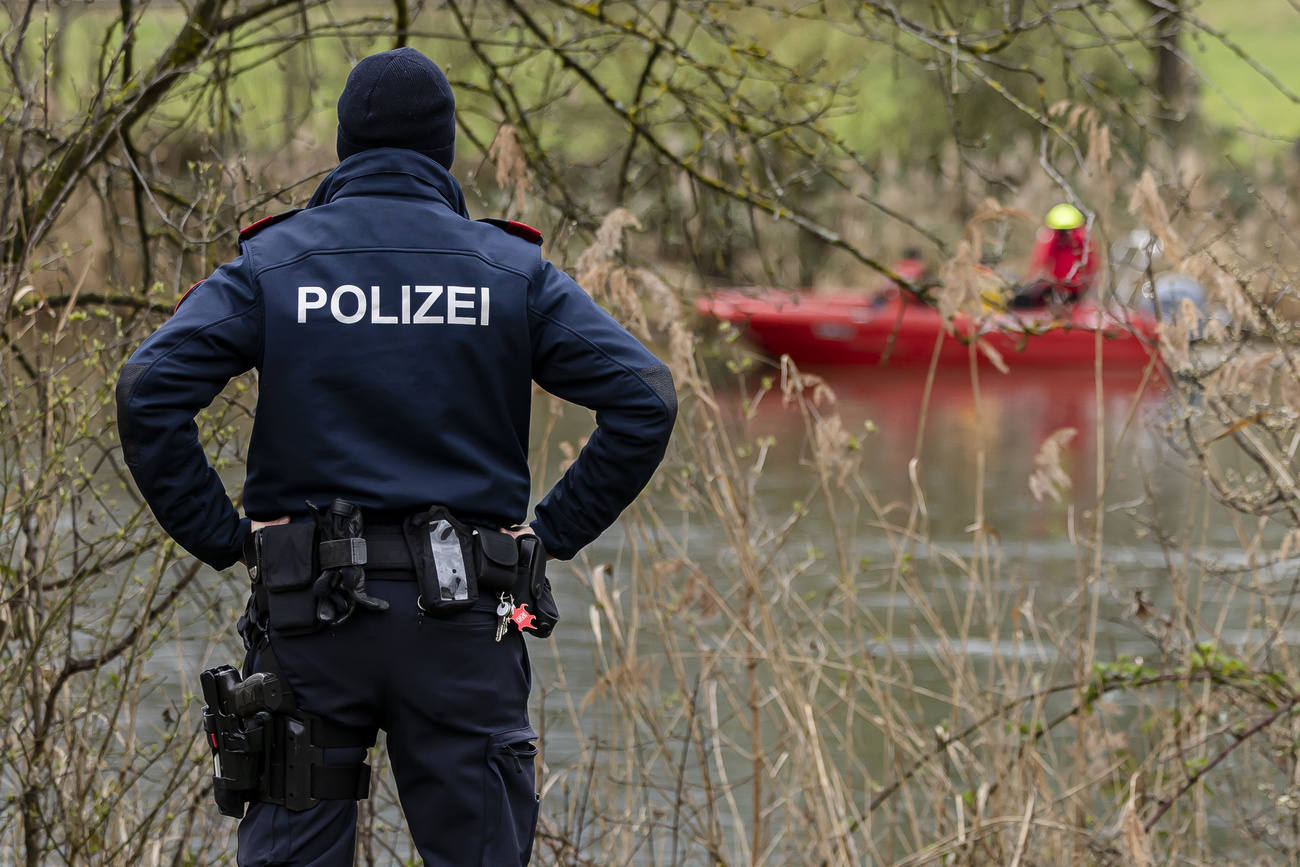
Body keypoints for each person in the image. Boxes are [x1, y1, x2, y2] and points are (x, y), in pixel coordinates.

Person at [115, 47, 677, 867]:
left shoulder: (276, 264)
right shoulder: (510, 271)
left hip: (309, 619)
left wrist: (227, 536)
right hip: (463, 629)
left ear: (344, 146)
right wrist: (550, 532)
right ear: (445, 150)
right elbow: (646, 396)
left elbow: (147, 387)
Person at [1013, 203, 1100, 308]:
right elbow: (1040, 261)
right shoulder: (1051, 238)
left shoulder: (1082, 239)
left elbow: (1091, 265)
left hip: (1075, 290)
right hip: (1055, 288)